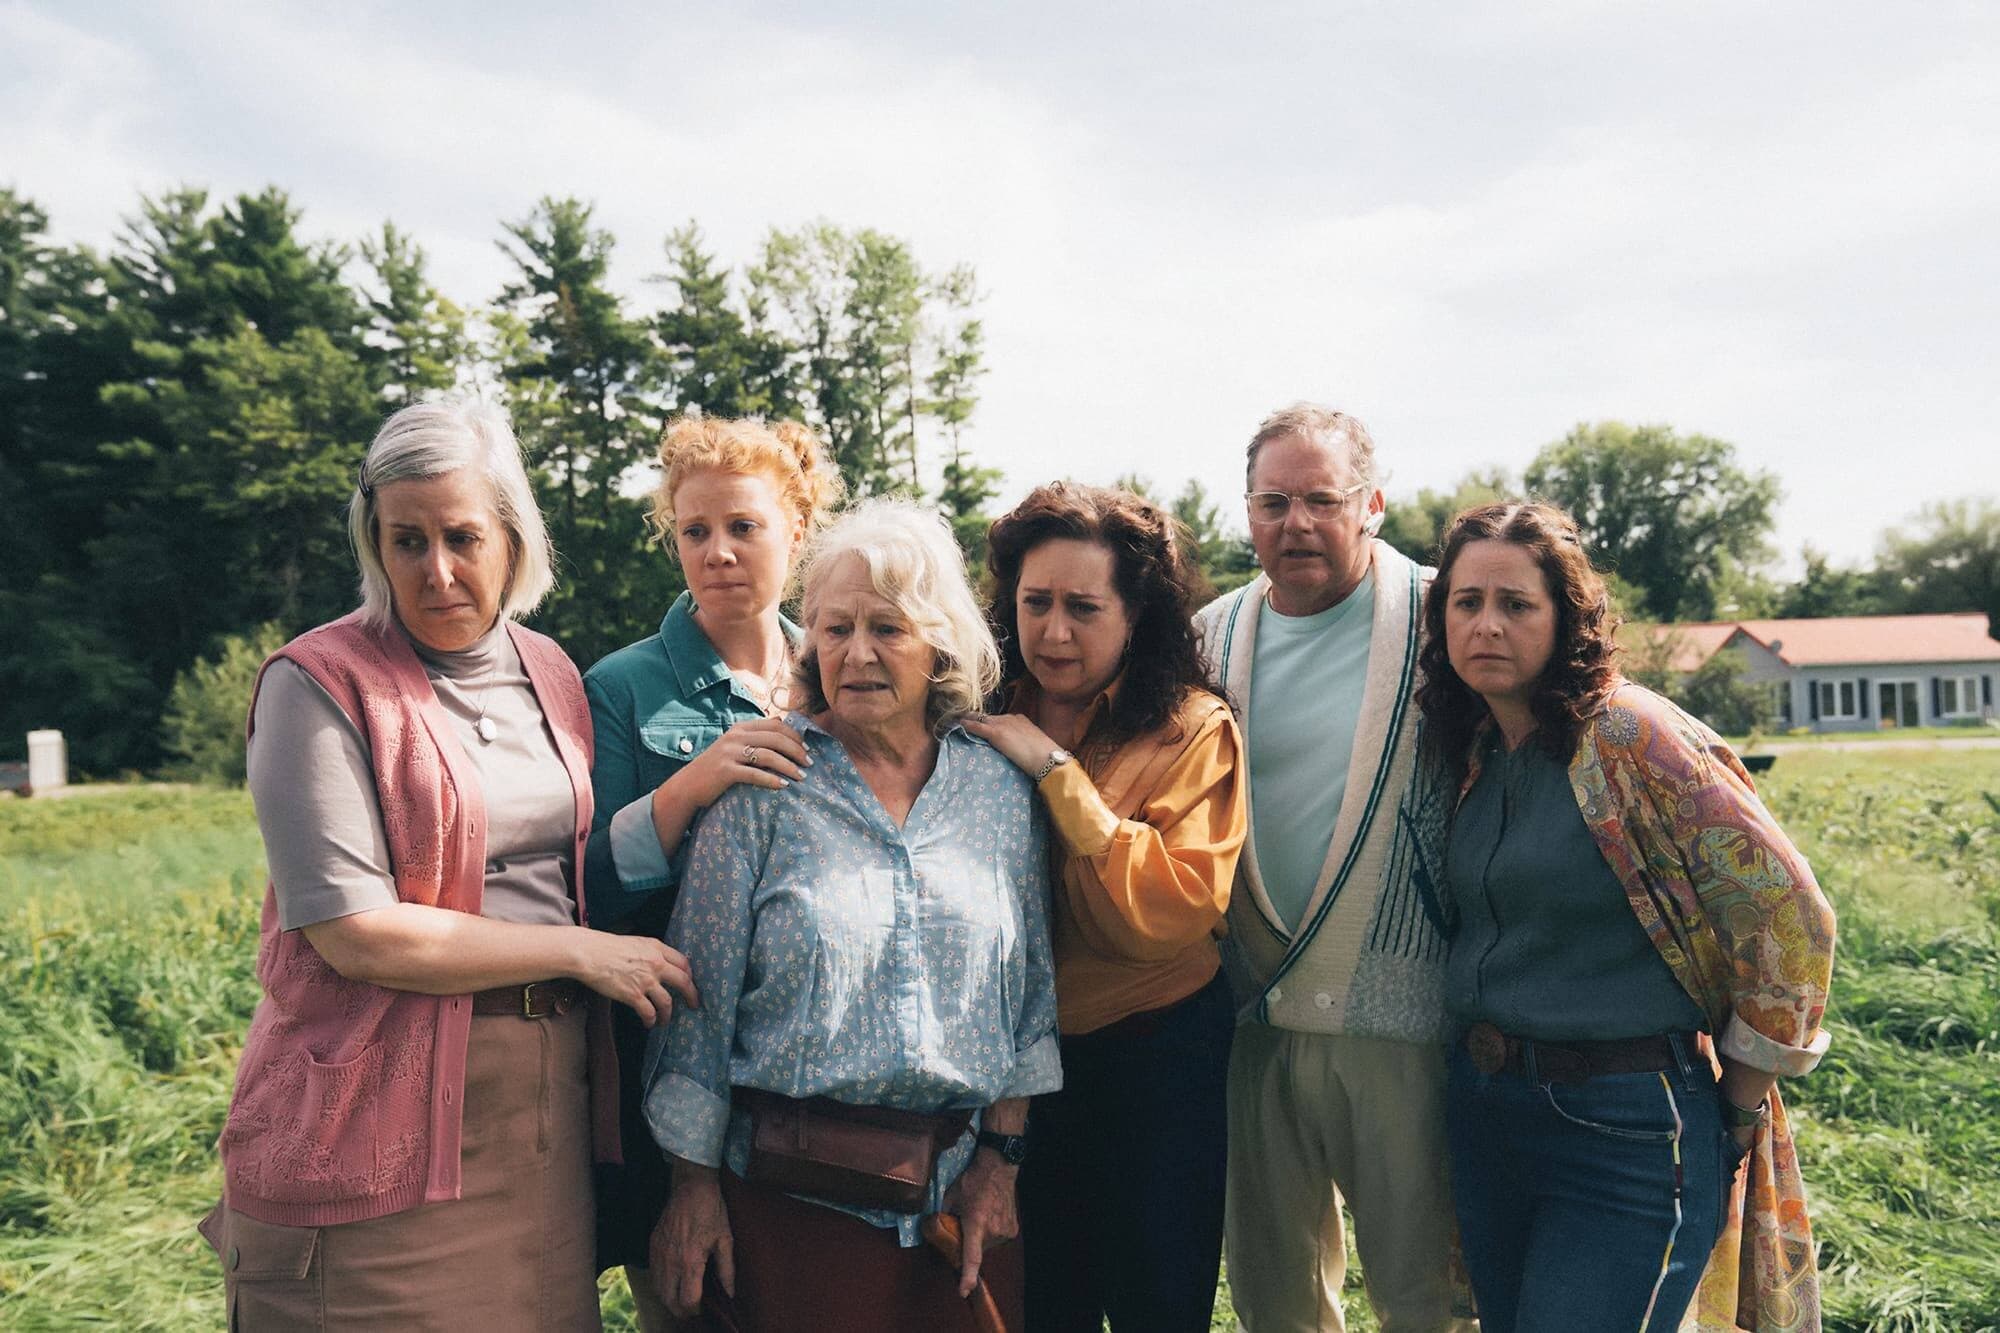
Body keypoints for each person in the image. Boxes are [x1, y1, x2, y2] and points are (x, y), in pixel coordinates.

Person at [206, 400, 697, 1330]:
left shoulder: (552, 670)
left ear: (511, 536)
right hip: (370, 1124)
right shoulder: (316, 682)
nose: (437, 572)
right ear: (373, 543)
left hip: (541, 1119)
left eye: (463, 537)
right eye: (407, 541)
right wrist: (578, 949)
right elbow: (356, 932)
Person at [644, 498, 1061, 1332]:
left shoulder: (996, 789)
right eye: (834, 630)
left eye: (887, 628)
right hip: (791, 1205)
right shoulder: (764, 782)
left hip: (959, 1205)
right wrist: (690, 1188)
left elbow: (1031, 998)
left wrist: (1000, 1160)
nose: (857, 653)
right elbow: (697, 1006)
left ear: (938, 641)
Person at [1418, 501, 1836, 1332]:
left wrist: (1741, 1097)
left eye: (1516, 604)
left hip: (1625, 1126)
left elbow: (1790, 912)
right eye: (1466, 603)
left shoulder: (1627, 734)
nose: (1487, 625)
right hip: (1486, 1115)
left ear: (1566, 616)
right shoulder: (1472, 748)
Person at [1192, 403, 1472, 1332]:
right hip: (1252, 1012)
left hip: (1401, 1015)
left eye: (1322, 499)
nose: (1296, 523)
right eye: (1274, 501)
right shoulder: (1210, 637)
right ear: (1247, 512)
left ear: (1374, 505)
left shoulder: (1446, 616)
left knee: (1423, 1292)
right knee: (1273, 1295)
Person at [964, 482, 1246, 1332]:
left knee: (1161, 1299)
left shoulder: (1192, 728)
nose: (1053, 631)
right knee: (1042, 1303)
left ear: (1138, 614)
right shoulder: (974, 711)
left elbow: (1160, 914)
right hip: (1014, 1070)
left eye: (1083, 607)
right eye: (1034, 602)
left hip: (1156, 1057)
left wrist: (1056, 771)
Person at [581, 415, 843, 1328]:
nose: (718, 552)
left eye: (744, 526)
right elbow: (593, 888)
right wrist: (688, 786)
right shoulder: (621, 684)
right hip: (674, 1060)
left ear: (797, 532)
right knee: (696, 1306)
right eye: (695, 531)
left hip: (819, 1071)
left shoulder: (843, 668)